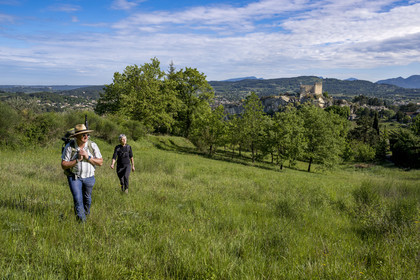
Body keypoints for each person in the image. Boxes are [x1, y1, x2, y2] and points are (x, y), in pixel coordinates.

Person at [61, 124, 103, 222]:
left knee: (87, 199)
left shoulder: (92, 145)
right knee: (77, 199)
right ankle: (82, 222)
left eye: (87, 134)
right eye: (83, 134)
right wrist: (77, 160)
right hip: (74, 177)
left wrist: (87, 157)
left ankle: (86, 214)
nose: (86, 136)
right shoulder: (69, 147)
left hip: (89, 177)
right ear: (76, 136)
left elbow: (100, 162)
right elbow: (63, 165)